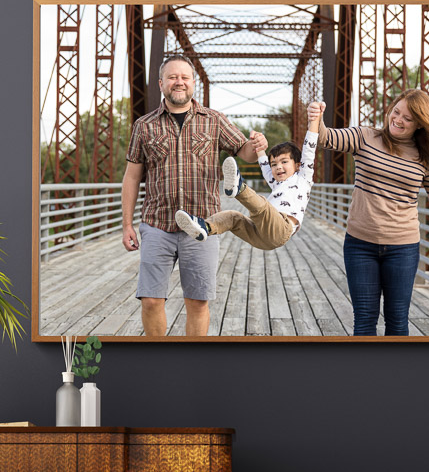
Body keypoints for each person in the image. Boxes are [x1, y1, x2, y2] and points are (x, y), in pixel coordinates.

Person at [121, 55, 262, 337]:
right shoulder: (144, 125)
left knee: (197, 302)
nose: (179, 82)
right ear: (161, 83)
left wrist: (256, 145)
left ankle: (191, 359)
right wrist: (126, 224)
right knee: (150, 300)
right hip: (157, 224)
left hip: (202, 226)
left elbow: (244, 153)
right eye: (172, 77)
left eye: (184, 77)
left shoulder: (214, 120)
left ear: (193, 83)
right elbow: (132, 177)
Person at [317, 88, 429, 336]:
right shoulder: (364, 137)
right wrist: (316, 117)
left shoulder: (427, 160)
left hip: (402, 249)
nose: (398, 119)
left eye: (408, 118)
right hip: (360, 245)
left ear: (420, 124)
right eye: (396, 111)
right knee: (364, 320)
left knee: (398, 322)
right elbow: (324, 138)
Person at [174, 102, 322, 250]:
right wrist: (257, 142)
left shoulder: (303, 178)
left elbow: (309, 150)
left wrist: (314, 120)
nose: (278, 167)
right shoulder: (275, 181)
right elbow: (263, 162)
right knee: (233, 217)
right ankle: (205, 227)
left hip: (281, 229)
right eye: (274, 164)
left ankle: (239, 188)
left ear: (298, 165)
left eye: (284, 162)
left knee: (263, 206)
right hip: (260, 235)